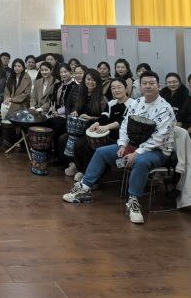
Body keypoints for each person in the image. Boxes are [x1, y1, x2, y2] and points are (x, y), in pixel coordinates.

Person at [63, 71, 176, 225]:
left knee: (141, 161)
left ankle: (133, 201)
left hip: (157, 151)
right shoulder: (136, 103)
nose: (148, 86)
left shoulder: (165, 108)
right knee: (101, 152)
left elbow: (159, 138)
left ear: (159, 86)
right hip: (132, 146)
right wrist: (123, 145)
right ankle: (84, 188)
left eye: (152, 83)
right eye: (145, 83)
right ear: (140, 86)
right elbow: (125, 126)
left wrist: (136, 153)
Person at [71, 77, 129, 183]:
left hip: (120, 139)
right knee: (79, 143)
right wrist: (97, 123)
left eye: (119, 87)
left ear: (126, 88)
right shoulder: (111, 103)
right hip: (106, 134)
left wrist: (106, 127)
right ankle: (82, 171)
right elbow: (104, 117)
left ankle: (94, 179)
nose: (116, 90)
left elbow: (123, 121)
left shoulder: (132, 104)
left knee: (90, 147)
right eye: (113, 88)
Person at [62, 68, 107, 176]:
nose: (90, 82)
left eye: (93, 80)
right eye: (88, 79)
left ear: (98, 82)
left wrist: (91, 118)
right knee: (62, 139)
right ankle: (73, 163)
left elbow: (104, 118)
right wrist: (75, 113)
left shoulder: (102, 98)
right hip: (80, 128)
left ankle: (81, 170)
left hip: (92, 129)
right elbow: (75, 109)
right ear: (84, 80)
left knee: (79, 143)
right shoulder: (81, 94)